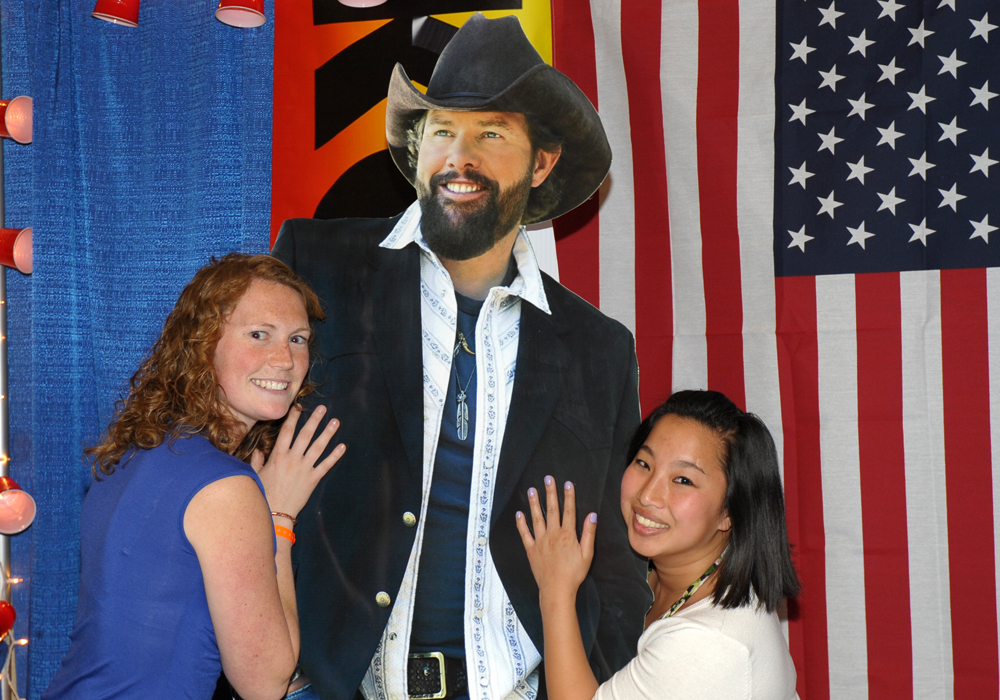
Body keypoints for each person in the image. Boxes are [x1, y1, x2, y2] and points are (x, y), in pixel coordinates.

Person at [271, 12, 651, 700]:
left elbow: (617, 570)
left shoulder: (598, 349)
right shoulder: (318, 265)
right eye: (442, 130)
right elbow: (235, 444)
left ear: (542, 163)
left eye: (491, 133)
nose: (459, 156)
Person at [41, 254, 346, 700]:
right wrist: (279, 518)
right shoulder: (225, 488)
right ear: (203, 344)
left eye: (297, 339)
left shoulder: (140, 450)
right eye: (258, 334)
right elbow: (266, 683)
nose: (285, 359)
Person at [516, 390, 801, 700]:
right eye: (644, 463)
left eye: (683, 480)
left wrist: (556, 588)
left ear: (729, 512)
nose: (647, 495)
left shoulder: (709, 644)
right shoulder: (677, 573)